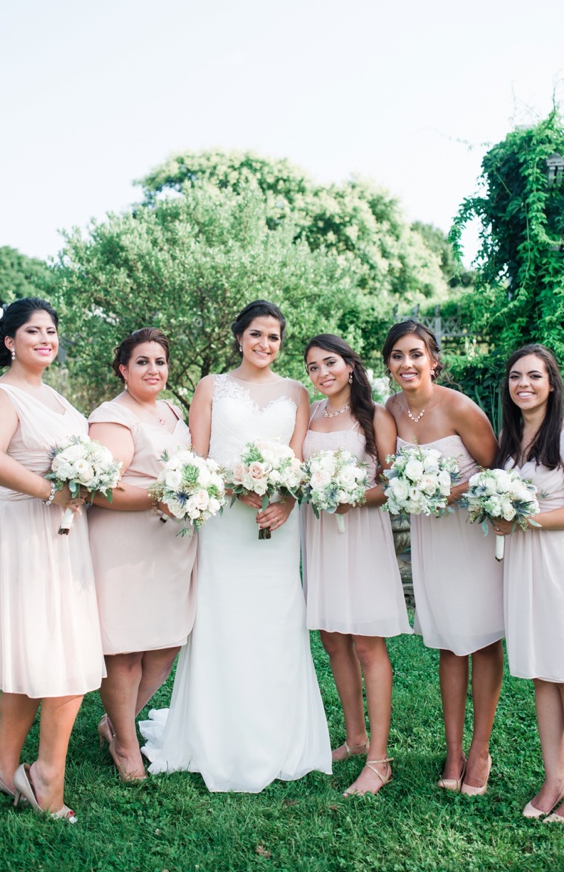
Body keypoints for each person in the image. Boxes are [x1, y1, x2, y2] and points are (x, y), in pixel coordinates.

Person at [139, 300, 331, 791]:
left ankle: (278, 736)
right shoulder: (212, 387)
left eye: (274, 337)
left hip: (278, 526)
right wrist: (233, 485)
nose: (265, 345)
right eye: (256, 335)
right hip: (224, 523)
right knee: (222, 620)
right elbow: (198, 459)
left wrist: (286, 500)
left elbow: (300, 462)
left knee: (276, 623)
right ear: (239, 337)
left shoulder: (296, 392)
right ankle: (214, 735)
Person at [0, 298, 100, 822]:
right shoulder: (2, 394)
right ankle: (45, 778)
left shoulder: (55, 397)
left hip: (59, 529)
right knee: (61, 653)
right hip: (21, 528)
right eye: (33, 331)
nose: (46, 338)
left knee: (36, 650)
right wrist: (51, 492)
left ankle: (4, 767)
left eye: (51, 330)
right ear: (9, 341)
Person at [383, 320, 501, 794]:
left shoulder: (459, 407)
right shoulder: (390, 409)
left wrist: (451, 489)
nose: (406, 364)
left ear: (433, 359)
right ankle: (452, 754)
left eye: (415, 354)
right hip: (430, 534)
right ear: (389, 365)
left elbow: (498, 469)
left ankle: (480, 751)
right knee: (449, 642)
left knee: (484, 638)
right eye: (396, 356)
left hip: (470, 532)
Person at [491, 344, 564, 823]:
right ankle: (553, 777)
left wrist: (525, 517)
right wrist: (497, 517)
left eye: (534, 376)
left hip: (558, 563)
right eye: (516, 376)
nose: (524, 384)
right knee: (542, 672)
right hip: (522, 564)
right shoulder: (509, 437)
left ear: (551, 384)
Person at [86, 328, 196, 782]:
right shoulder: (112, 417)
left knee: (168, 642)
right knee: (126, 650)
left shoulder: (172, 410)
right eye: (143, 362)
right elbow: (101, 490)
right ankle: (127, 748)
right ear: (123, 369)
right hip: (125, 544)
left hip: (172, 546)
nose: (154, 370)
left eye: (161, 361)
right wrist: (162, 496)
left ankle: (116, 721)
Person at [302, 334, 409, 796]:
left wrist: (351, 498)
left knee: (367, 644)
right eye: (312, 367)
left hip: (360, 535)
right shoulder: (309, 415)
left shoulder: (376, 415)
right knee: (333, 639)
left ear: (349, 365)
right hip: (321, 534)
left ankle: (380, 759)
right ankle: (355, 737)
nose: (322, 373)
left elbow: (391, 484)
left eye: (330, 363)